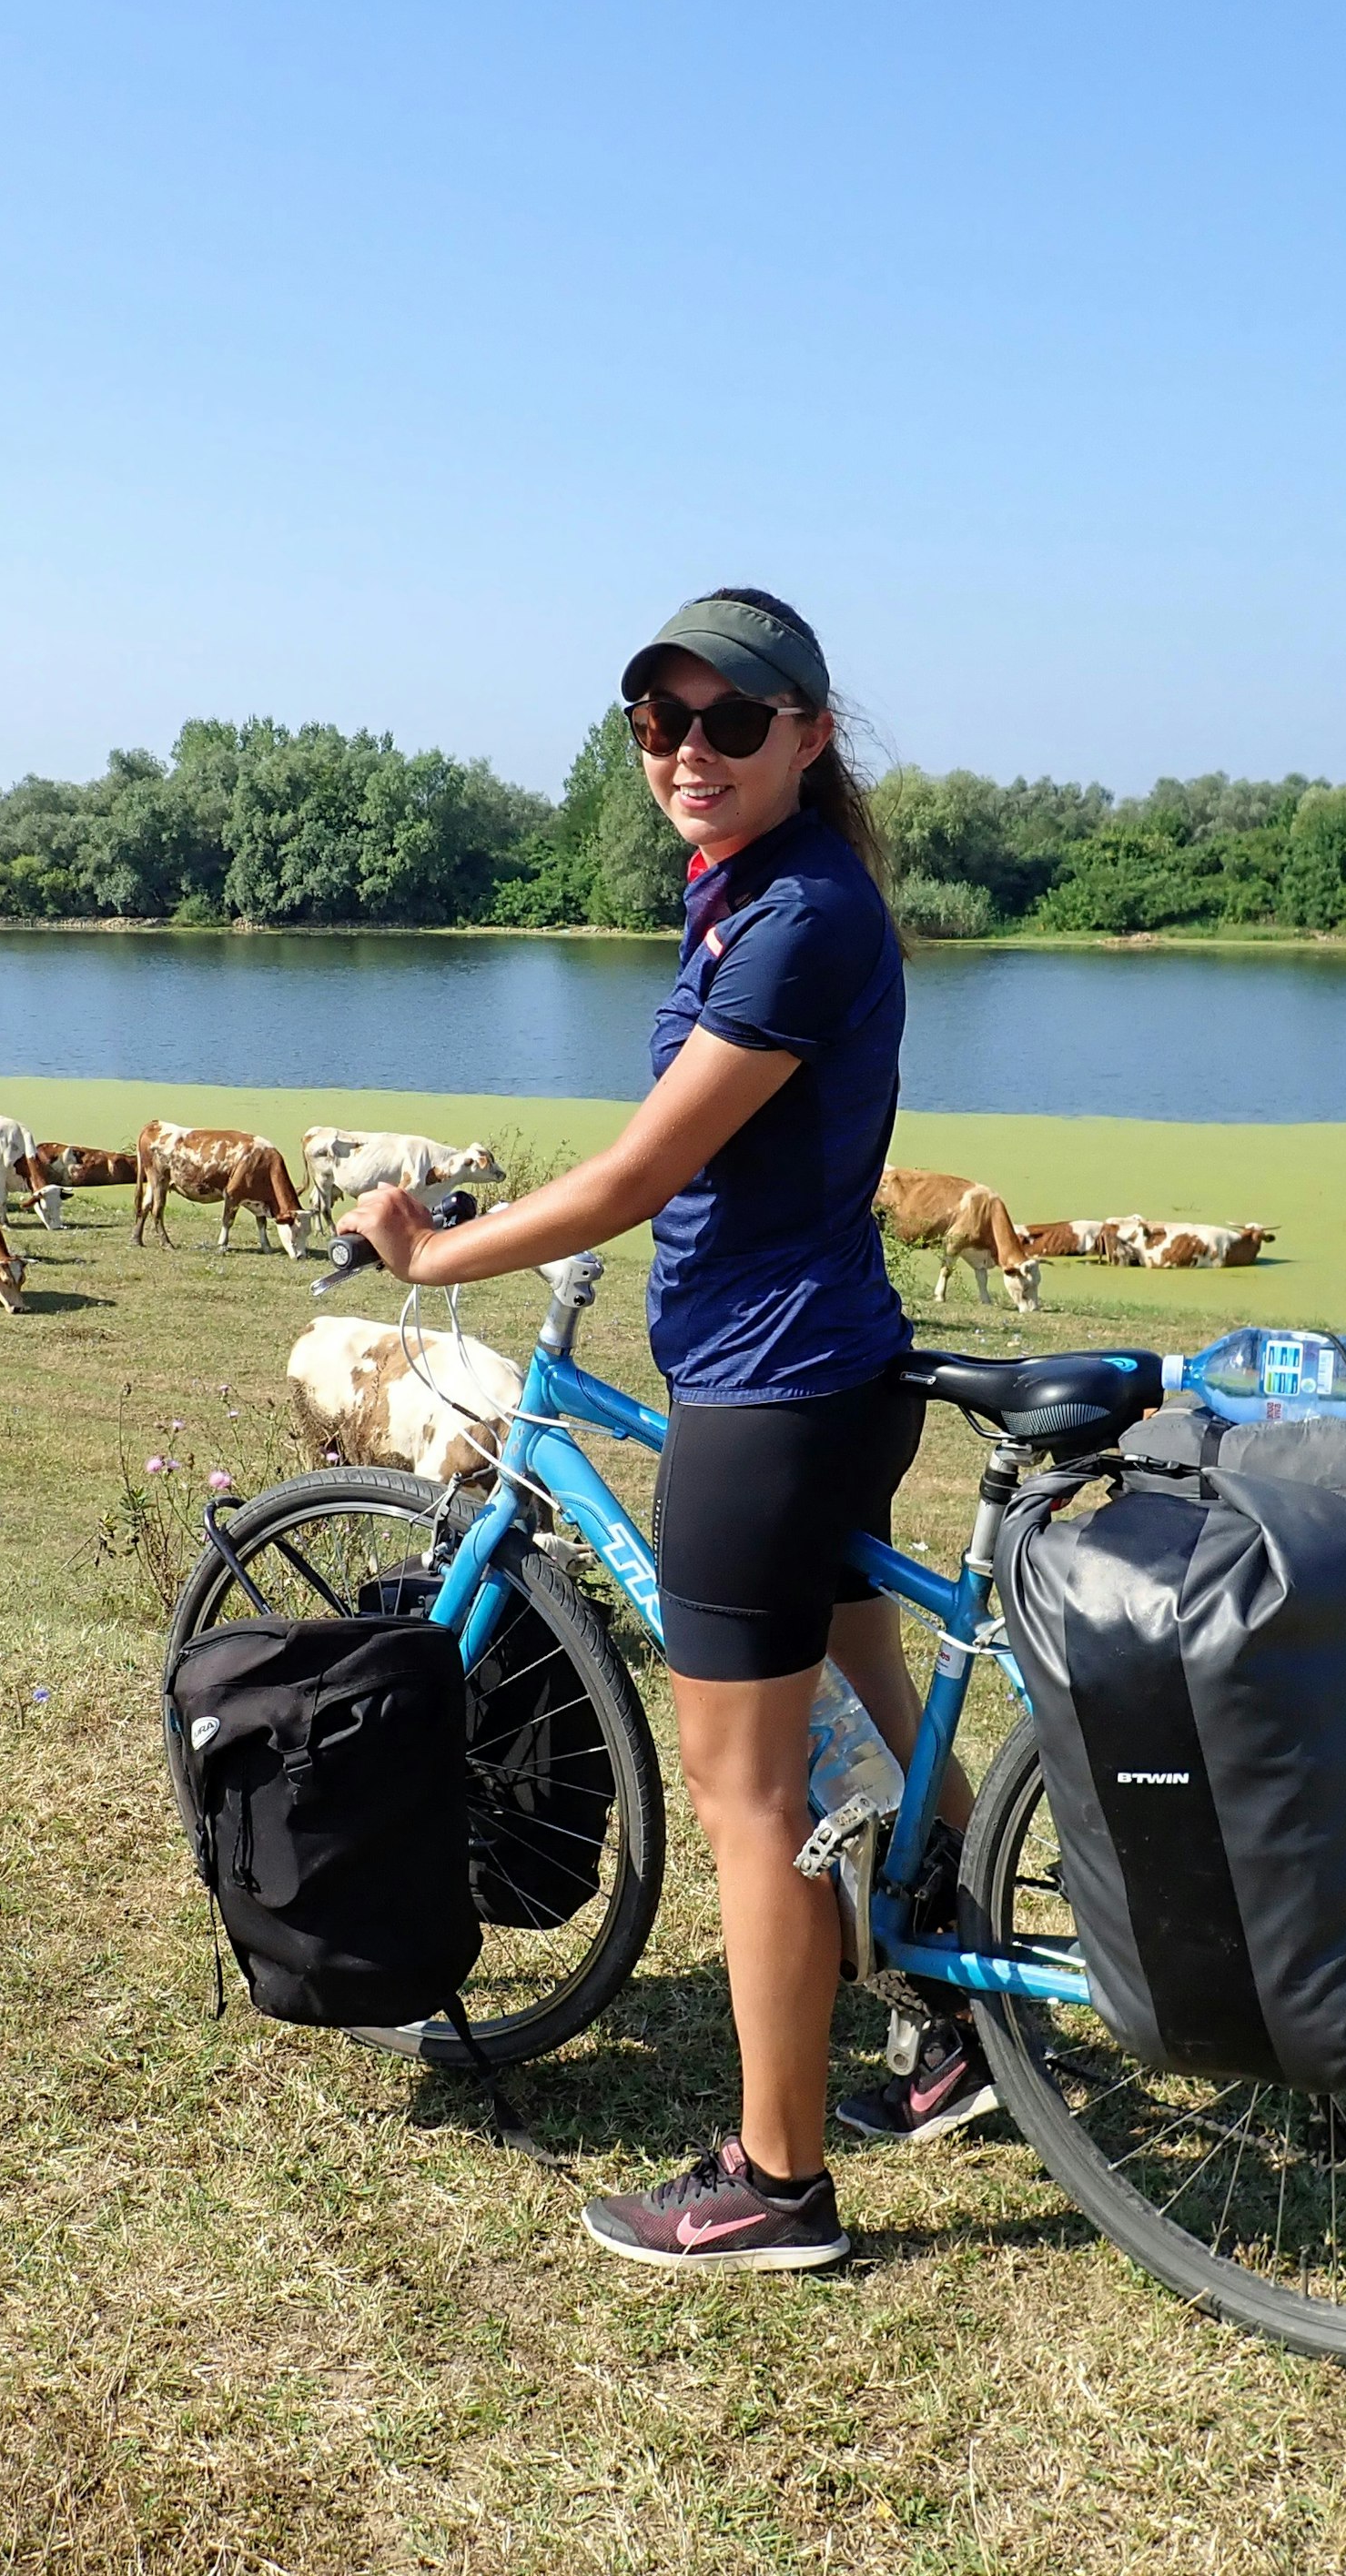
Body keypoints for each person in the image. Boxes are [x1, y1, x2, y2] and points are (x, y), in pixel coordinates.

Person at [340, 588, 990, 2276]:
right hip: (834, 1363)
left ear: (812, 735)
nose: (686, 753)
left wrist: (432, 1252)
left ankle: (775, 2182)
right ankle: (964, 2012)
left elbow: (641, 1174)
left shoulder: (795, 920)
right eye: (657, 723)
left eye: (728, 723)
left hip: (768, 1398)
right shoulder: (765, 894)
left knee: (745, 1797)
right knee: (875, 1709)